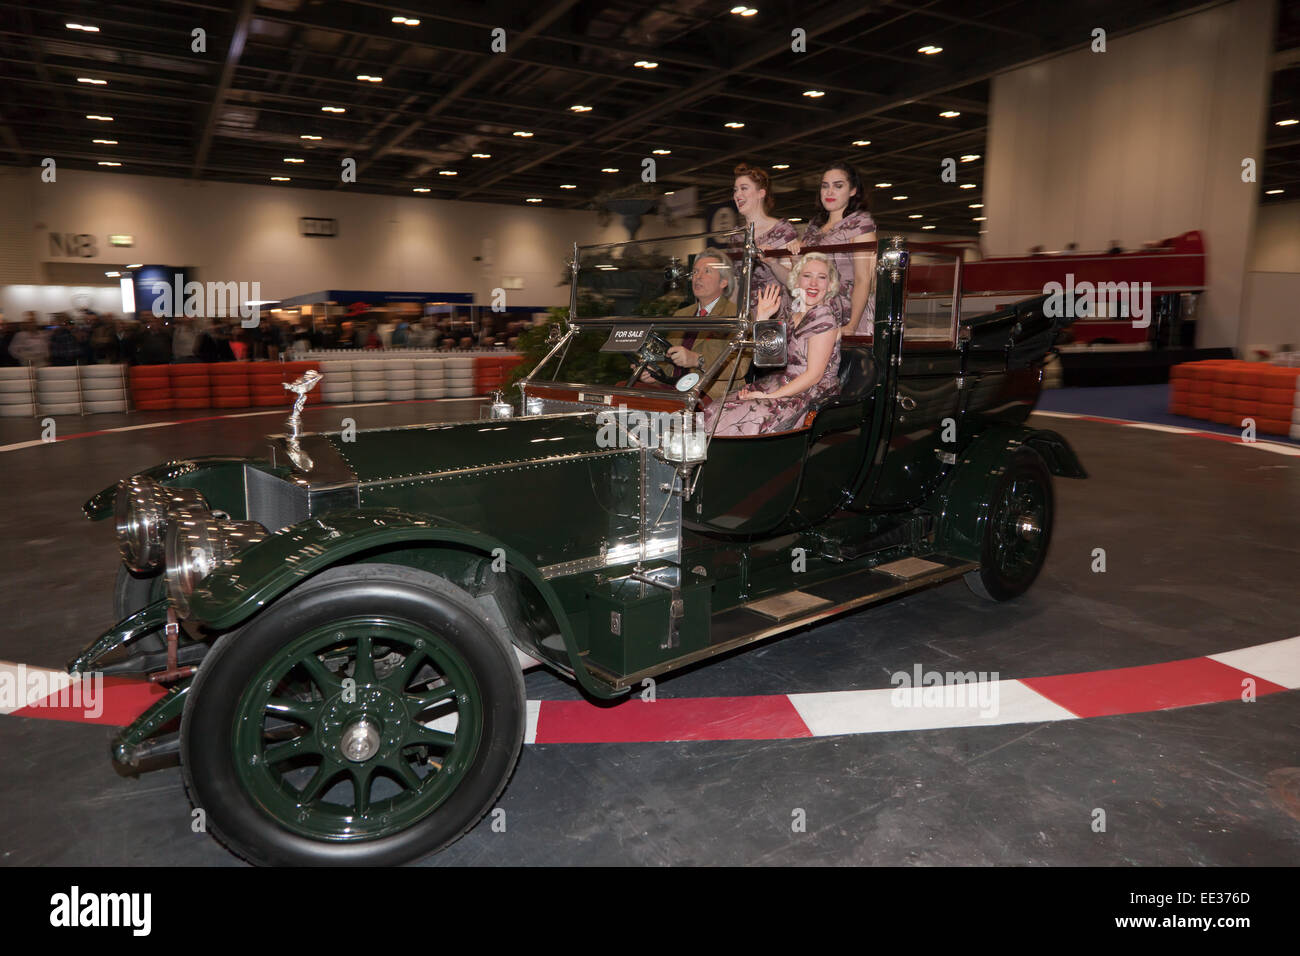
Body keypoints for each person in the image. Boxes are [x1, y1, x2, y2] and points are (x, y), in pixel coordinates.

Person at [705, 252, 841, 436]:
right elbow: (769, 360)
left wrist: (768, 396)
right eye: (807, 276)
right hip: (783, 382)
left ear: (830, 284)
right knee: (717, 407)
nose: (814, 284)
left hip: (810, 392)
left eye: (822, 277)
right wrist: (763, 318)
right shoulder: (793, 314)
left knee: (746, 414)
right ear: (797, 280)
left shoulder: (824, 316)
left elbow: (814, 376)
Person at [646, 250, 749, 401]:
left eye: (707, 271)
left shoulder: (736, 316)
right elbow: (669, 364)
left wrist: (697, 360)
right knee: (623, 390)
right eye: (695, 272)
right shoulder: (681, 315)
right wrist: (653, 374)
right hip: (673, 391)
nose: (698, 277)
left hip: (709, 395)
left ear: (723, 282)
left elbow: (738, 367)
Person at [796, 161, 877, 333]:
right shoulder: (813, 228)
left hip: (848, 317)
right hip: (813, 312)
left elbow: (864, 279)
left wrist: (852, 326)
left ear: (853, 190)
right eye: (825, 186)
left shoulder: (860, 224)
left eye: (838, 186)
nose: (829, 192)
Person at [729, 162, 797, 319]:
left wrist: (773, 264)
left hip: (777, 314)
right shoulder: (737, 236)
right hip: (747, 317)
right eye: (735, 190)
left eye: (744, 188)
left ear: (761, 193)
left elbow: (794, 282)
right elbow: (737, 285)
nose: (737, 194)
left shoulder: (782, 230)